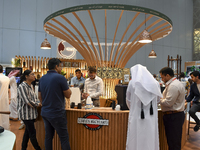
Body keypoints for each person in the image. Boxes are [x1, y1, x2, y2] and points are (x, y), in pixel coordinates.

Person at [126, 64, 162, 150]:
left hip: (136, 115)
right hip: (151, 116)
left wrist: (133, 109)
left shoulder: (132, 83)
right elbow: (158, 100)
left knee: (134, 138)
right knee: (150, 137)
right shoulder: (155, 83)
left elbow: (128, 99)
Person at [38, 58, 72, 150]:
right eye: (60, 66)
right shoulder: (60, 78)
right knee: (64, 138)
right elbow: (68, 95)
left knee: (48, 137)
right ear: (56, 66)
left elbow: (39, 96)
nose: (61, 69)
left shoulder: (42, 78)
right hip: (57, 113)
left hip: (45, 112)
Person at [159, 67, 185, 150]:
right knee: (171, 141)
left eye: (162, 77)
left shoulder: (174, 85)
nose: (162, 79)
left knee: (174, 142)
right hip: (172, 116)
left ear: (167, 75)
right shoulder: (172, 84)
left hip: (174, 116)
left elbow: (168, 102)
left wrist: (157, 100)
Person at [17, 70, 41, 150]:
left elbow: (35, 98)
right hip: (26, 114)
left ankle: (23, 148)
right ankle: (38, 148)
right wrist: (38, 104)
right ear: (26, 76)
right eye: (32, 74)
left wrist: (38, 102)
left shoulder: (31, 86)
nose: (34, 76)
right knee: (32, 133)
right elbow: (27, 101)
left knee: (27, 132)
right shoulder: (22, 86)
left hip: (31, 114)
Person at [0, 65, 10, 130]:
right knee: (5, 116)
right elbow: (8, 89)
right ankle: (6, 129)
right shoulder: (7, 78)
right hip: (5, 98)